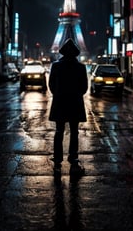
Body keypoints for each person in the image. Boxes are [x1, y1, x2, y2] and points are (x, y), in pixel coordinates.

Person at [48, 38, 88, 177]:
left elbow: (51, 85)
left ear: (62, 52)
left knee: (59, 131)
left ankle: (58, 159)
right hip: (75, 103)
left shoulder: (56, 66)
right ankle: (73, 158)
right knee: (74, 132)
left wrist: (59, 94)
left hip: (60, 102)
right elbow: (84, 88)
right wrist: (76, 95)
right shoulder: (81, 67)